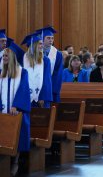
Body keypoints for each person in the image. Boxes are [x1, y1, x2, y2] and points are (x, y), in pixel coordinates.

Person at [0, 39, 30, 176]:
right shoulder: (0, 73)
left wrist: (16, 105)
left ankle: (16, 161)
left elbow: (23, 90)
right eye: (3, 56)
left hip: (17, 111)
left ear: (12, 57)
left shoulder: (22, 72)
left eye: (6, 56)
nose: (4, 58)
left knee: (19, 132)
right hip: (2, 112)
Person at [21, 32, 52, 108]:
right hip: (25, 95)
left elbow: (46, 80)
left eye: (42, 43)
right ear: (33, 45)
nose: (42, 46)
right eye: (40, 44)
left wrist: (42, 97)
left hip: (40, 96)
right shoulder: (23, 59)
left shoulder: (45, 60)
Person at [36, 26, 63, 103]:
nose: (51, 40)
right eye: (48, 38)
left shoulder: (57, 54)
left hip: (50, 87)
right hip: (36, 85)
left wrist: (51, 89)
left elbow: (58, 74)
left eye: (52, 38)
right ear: (42, 38)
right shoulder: (35, 53)